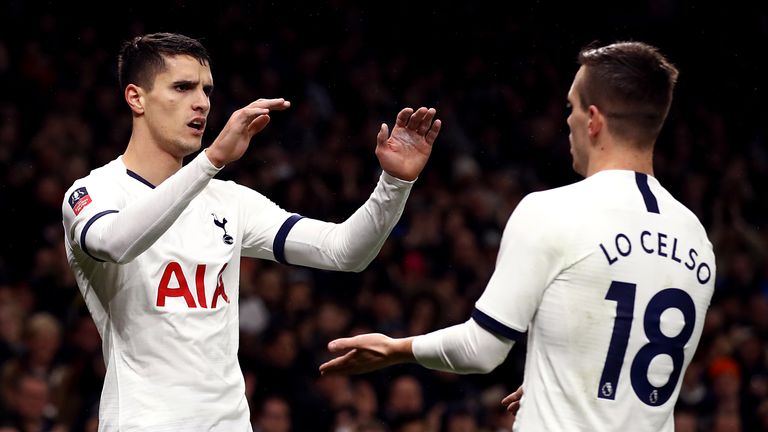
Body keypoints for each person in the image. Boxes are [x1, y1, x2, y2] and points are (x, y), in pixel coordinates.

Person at [320, 41, 716, 431]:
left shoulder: (551, 211)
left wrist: (395, 349)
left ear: (593, 119)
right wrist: (557, 377)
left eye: (571, 107)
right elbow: (632, 360)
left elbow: (481, 350)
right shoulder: (696, 238)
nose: (568, 120)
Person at [61, 32, 441, 431]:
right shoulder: (92, 192)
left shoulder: (229, 201)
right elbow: (115, 243)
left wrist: (394, 184)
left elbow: (343, 252)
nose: (202, 102)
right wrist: (211, 160)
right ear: (136, 98)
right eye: (183, 87)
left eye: (206, 89)